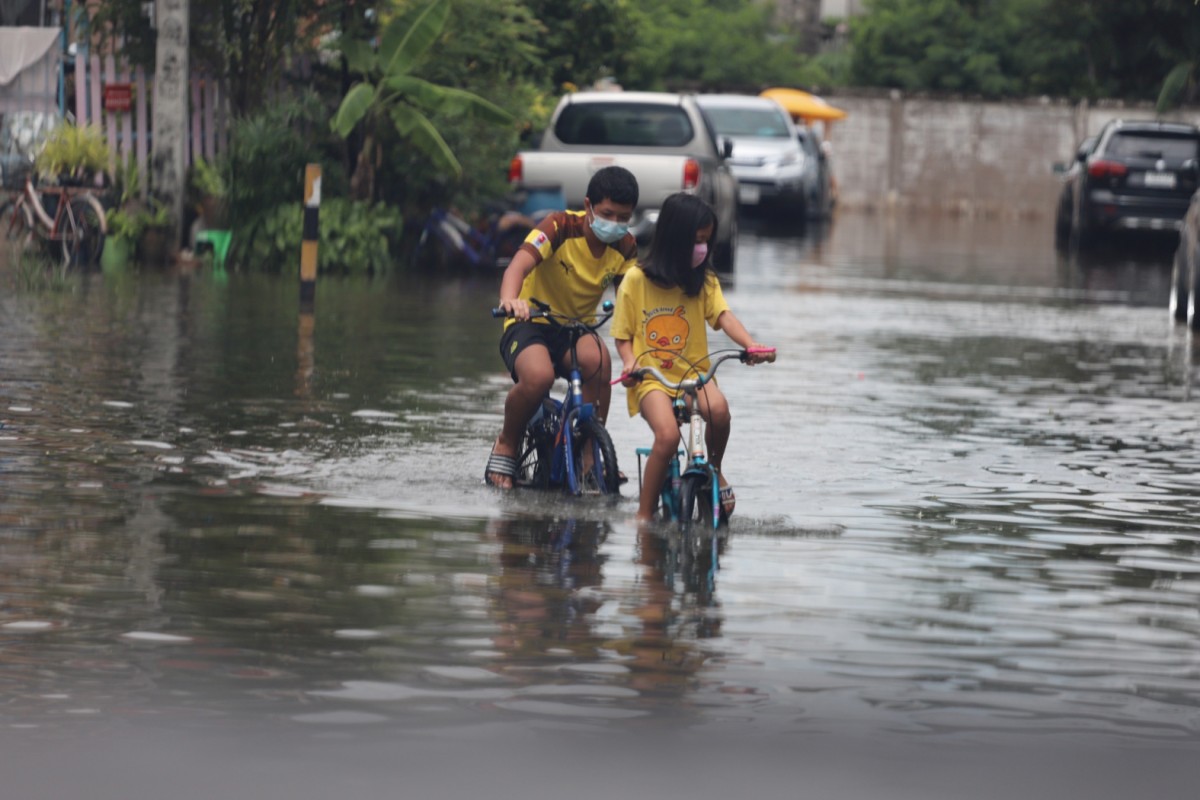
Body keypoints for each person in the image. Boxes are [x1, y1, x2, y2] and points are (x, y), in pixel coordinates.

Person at [612, 192, 771, 522]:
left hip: (696, 374)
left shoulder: (704, 280)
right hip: (650, 378)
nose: (702, 247)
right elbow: (623, 336)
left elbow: (724, 316)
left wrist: (751, 345)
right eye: (696, 240)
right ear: (674, 238)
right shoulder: (635, 280)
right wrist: (630, 362)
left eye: (706, 241)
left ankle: (714, 469)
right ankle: (643, 518)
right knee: (668, 436)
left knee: (719, 411)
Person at [485, 165, 640, 489]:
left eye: (622, 217)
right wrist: (511, 301)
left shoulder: (625, 246)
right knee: (538, 377)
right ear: (588, 206)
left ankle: (590, 456)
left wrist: (638, 353)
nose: (614, 224)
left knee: (600, 362)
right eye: (607, 214)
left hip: (575, 329)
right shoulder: (558, 226)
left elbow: (631, 302)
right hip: (529, 322)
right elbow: (518, 265)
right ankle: (507, 442)